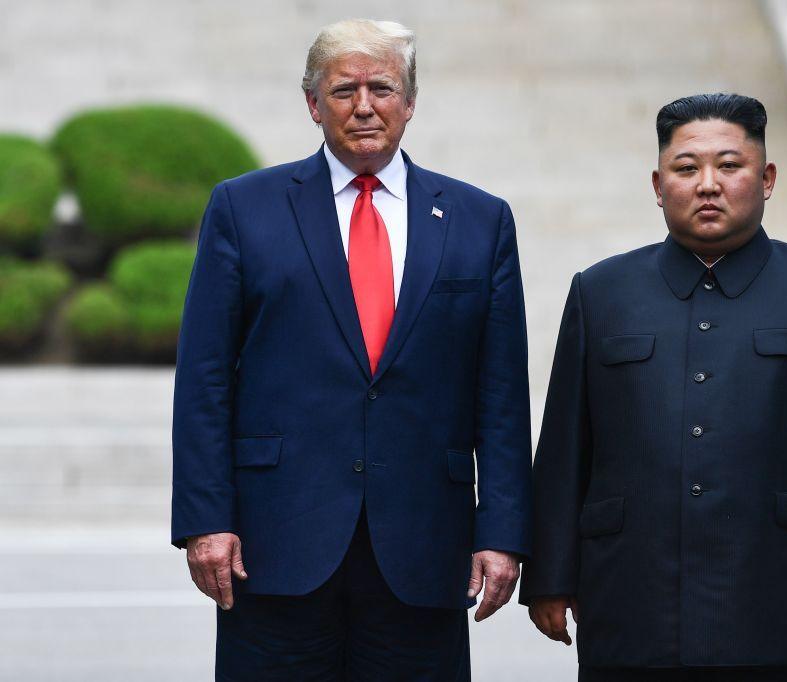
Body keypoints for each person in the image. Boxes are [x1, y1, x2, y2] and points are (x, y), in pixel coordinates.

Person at [171, 19, 531, 680]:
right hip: (275, 543)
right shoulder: (244, 209)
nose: (364, 106)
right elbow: (204, 378)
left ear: (410, 101)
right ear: (313, 104)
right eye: (343, 90)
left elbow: (502, 394)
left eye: (382, 88)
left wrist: (502, 533)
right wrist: (204, 520)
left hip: (424, 546)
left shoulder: (481, 221)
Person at [520, 93, 787, 681]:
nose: (707, 184)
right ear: (657, 183)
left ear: (767, 177)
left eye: (729, 166)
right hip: (633, 606)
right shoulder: (602, 292)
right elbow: (565, 448)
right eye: (686, 168)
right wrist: (549, 576)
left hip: (783, 602)